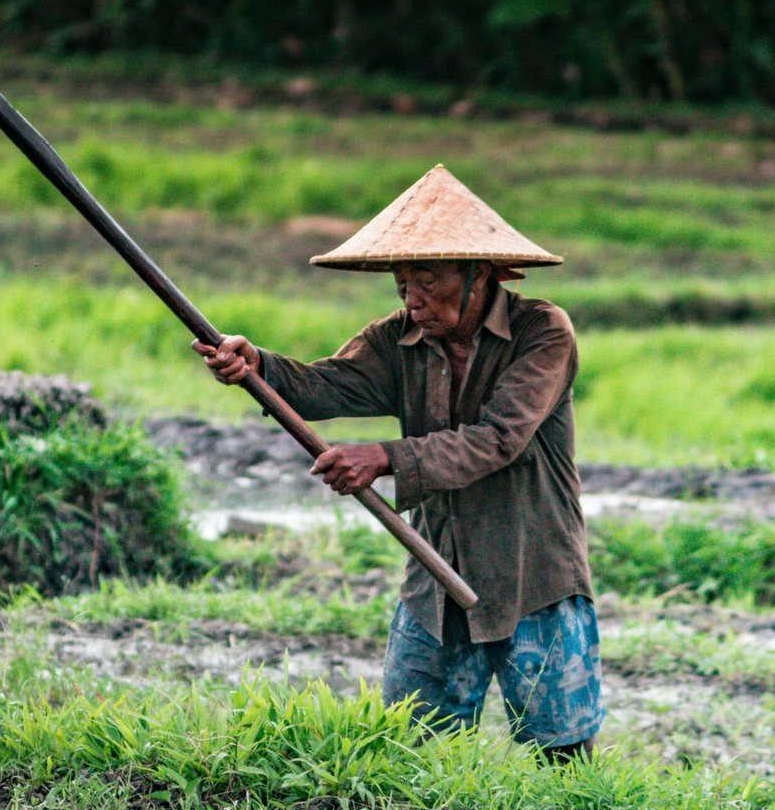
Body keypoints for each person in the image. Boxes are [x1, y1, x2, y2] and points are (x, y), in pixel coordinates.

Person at [194, 164, 600, 763]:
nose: (412, 299)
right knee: (409, 748)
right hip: (436, 565)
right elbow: (325, 385)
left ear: (479, 274)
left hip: (532, 568)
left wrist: (385, 457)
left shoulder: (542, 332)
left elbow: (499, 437)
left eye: (428, 281)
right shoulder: (397, 338)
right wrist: (259, 367)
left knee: (561, 750)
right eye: (402, 283)